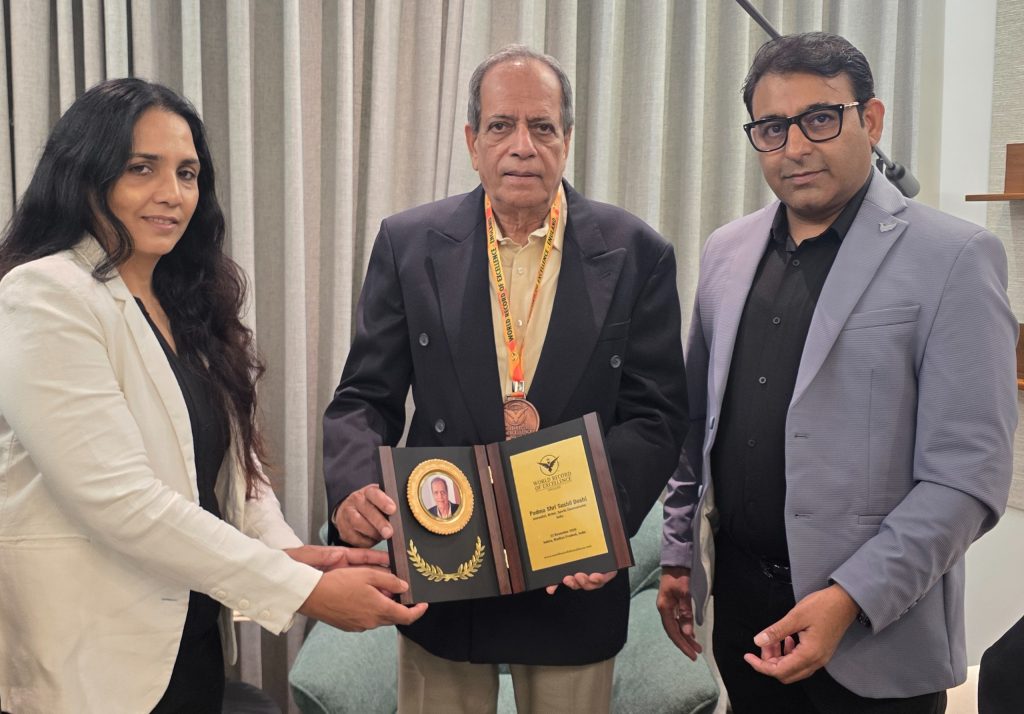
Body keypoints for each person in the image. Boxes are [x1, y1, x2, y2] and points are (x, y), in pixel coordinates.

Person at [0, 78, 425, 714]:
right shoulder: (44, 294)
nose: (172, 194)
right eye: (141, 168)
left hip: (190, 642)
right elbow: (121, 500)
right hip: (89, 660)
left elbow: (238, 476)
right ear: (85, 176)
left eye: (188, 173)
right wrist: (301, 590)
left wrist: (288, 553)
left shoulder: (186, 304)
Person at [658, 32, 1017, 714]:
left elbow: (968, 475)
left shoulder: (954, 257)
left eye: (820, 118)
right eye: (772, 128)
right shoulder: (726, 252)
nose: (794, 147)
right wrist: (678, 553)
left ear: (871, 120)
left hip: (876, 635)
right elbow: (695, 427)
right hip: (743, 616)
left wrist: (850, 597)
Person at [323, 45, 687, 713]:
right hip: (445, 567)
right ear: (472, 141)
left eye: (542, 126)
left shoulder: (637, 252)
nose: (523, 145)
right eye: (501, 126)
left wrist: (603, 521)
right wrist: (352, 487)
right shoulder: (409, 244)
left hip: (572, 572)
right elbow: (364, 397)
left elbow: (656, 414)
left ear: (567, 139)